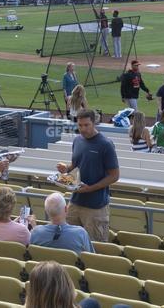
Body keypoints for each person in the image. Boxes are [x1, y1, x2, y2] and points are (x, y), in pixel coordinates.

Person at [55, 109, 119, 242]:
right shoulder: (77, 141)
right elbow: (75, 165)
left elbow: (114, 176)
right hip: (75, 202)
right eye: (80, 125)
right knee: (68, 241)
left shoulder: (106, 145)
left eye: (86, 125)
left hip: (96, 206)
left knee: (95, 247)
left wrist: (90, 188)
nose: (83, 129)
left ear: (94, 123)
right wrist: (65, 168)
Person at [29, 192, 93, 254]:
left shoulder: (35, 232)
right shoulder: (80, 233)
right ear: (66, 209)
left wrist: (35, 228)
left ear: (46, 211)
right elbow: (89, 258)